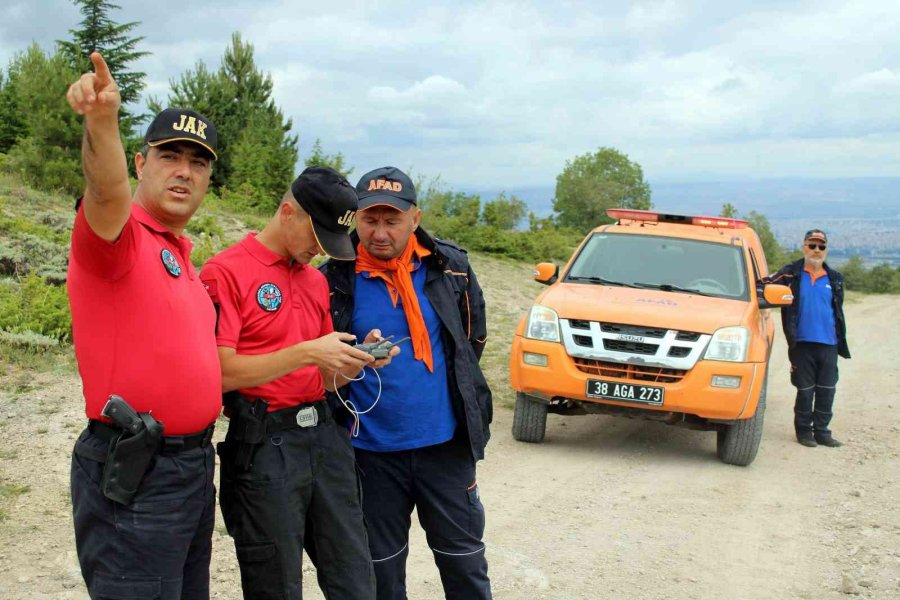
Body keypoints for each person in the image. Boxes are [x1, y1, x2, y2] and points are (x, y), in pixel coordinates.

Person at [66, 53, 221, 598]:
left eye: (198, 163)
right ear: (140, 163)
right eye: (170, 155)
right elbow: (104, 194)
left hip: (193, 465)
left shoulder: (180, 254)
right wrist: (102, 121)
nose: (184, 170)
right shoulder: (118, 239)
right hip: (136, 469)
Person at [200, 166, 393, 599]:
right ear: (288, 212)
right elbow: (219, 372)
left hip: (324, 439)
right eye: (317, 237)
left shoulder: (312, 279)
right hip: (265, 447)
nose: (318, 251)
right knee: (276, 584)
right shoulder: (225, 271)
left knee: (355, 578)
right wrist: (307, 351)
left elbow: (327, 380)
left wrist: (357, 361)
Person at [320, 166, 493, 600]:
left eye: (391, 220)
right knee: (380, 574)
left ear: (414, 219)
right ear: (354, 219)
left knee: (464, 564)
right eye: (369, 220)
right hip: (370, 454)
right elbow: (323, 360)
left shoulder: (449, 267)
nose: (379, 232)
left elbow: (471, 343)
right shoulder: (333, 278)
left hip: (444, 448)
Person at [765, 229, 851, 448]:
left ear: (826, 250)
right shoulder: (791, 274)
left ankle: (822, 432)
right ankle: (804, 433)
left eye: (821, 246)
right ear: (804, 247)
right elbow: (764, 285)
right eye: (812, 245)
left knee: (827, 390)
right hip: (802, 343)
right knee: (805, 391)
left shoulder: (835, 279)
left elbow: (837, 311)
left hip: (829, 344)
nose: (816, 250)